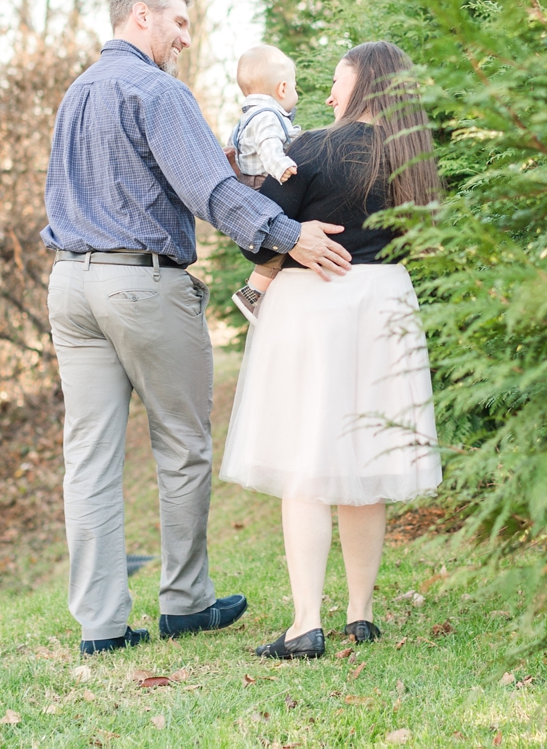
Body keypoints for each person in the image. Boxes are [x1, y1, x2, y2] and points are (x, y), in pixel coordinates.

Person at [41, 0, 353, 656]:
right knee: (182, 444)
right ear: (143, 16)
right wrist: (286, 234)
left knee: (88, 457)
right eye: (179, 22)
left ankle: (102, 625)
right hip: (141, 285)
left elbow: (174, 176)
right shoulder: (156, 90)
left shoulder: (77, 94)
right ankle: (185, 602)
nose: (187, 36)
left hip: (69, 285)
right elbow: (209, 190)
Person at [219, 40, 444, 659]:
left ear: (364, 84)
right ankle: (361, 615)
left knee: (305, 463)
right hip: (386, 303)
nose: (327, 96)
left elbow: (262, 239)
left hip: (315, 303)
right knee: (364, 462)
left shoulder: (308, 148)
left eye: (338, 82)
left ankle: (305, 624)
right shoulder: (414, 157)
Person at [225, 44, 302, 322]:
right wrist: (282, 166)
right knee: (294, 230)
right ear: (282, 89)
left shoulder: (248, 117)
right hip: (263, 187)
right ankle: (253, 292)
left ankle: (256, 292)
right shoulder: (268, 117)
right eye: (295, 87)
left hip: (249, 185)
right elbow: (269, 147)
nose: (296, 93)